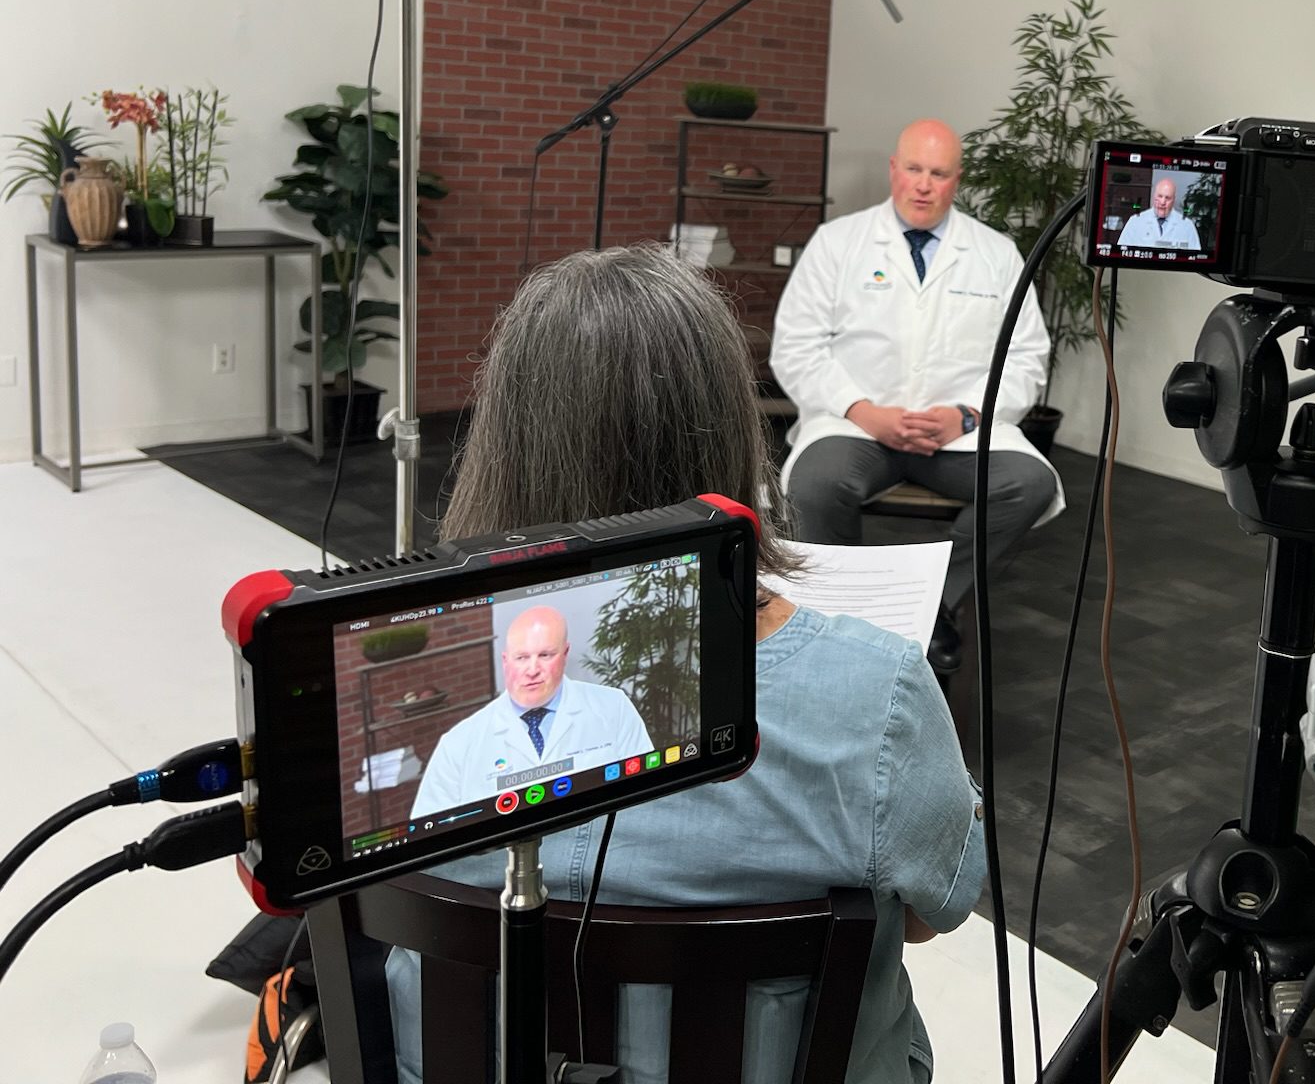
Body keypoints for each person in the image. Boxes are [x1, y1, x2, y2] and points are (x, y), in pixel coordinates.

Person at [386, 245, 985, 1084]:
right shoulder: (877, 694)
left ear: (501, 440)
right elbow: (929, 914)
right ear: (731, 430)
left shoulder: (393, 710)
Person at [772, 119, 1064, 673]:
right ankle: (846, 617)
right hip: (856, 427)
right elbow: (796, 346)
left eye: (938, 173)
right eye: (914, 169)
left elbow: (1026, 357)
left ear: (957, 179)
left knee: (1029, 484)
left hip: (958, 434)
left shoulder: (996, 253)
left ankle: (934, 607)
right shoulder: (838, 242)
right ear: (894, 170)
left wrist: (966, 415)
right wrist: (864, 411)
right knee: (816, 485)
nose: (924, 185)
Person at [406, 604, 654, 820]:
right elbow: (427, 832)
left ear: (565, 654)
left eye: (545, 655)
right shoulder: (457, 744)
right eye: (522, 657)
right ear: (506, 661)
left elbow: (647, 799)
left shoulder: (613, 706)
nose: (532, 670)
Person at [1115, 172, 1202, 251]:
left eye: (1167, 198)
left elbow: (1195, 258)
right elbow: (1121, 252)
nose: (1162, 202)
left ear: (1173, 200)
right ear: (1154, 196)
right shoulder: (1135, 221)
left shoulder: (1187, 226)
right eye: (1160, 196)